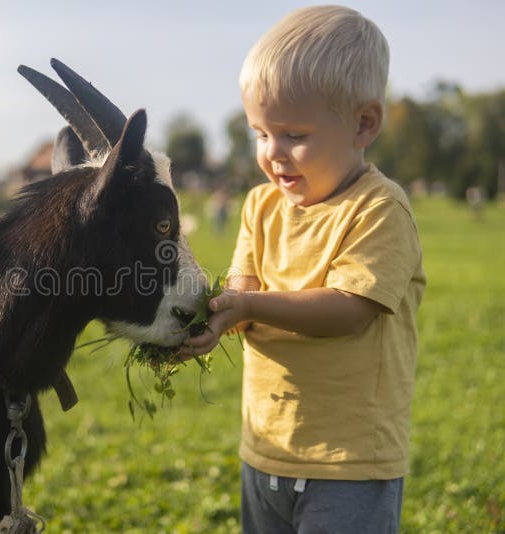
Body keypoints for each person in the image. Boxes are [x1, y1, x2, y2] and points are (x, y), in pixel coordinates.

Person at [179, 5, 426, 533]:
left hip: (349, 461)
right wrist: (208, 312)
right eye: (259, 133)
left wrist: (247, 305)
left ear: (364, 124)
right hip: (264, 448)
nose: (272, 154)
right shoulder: (259, 206)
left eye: (292, 134)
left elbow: (348, 310)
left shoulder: (379, 209)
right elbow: (242, 290)